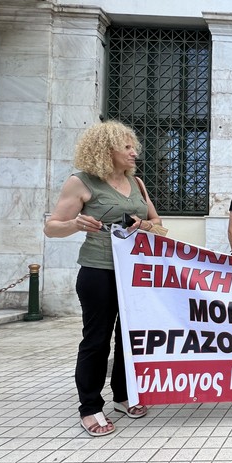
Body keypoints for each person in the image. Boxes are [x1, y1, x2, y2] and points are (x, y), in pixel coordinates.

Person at [44, 120, 162, 437]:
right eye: (127, 147)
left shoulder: (137, 183)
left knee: (129, 337)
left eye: (133, 146)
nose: (134, 152)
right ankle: (90, 407)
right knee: (97, 340)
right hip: (98, 271)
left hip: (135, 273)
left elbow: (157, 222)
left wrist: (144, 225)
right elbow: (52, 227)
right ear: (105, 150)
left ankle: (122, 395)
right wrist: (76, 224)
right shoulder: (81, 182)